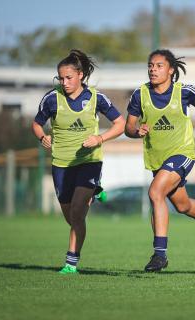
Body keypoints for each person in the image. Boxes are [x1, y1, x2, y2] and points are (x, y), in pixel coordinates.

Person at [125, 49, 195, 272]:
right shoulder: (140, 94)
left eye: (158, 66)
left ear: (171, 70)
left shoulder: (183, 91)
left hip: (182, 154)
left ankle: (160, 254)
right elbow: (128, 127)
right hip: (158, 160)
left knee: (155, 193)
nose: (153, 70)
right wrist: (136, 131)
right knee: (183, 205)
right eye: (150, 66)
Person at [32, 49, 126, 274]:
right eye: (61, 78)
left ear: (81, 75)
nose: (64, 82)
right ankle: (95, 191)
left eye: (69, 78)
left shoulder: (96, 98)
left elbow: (120, 124)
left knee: (77, 212)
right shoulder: (51, 98)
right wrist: (42, 136)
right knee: (71, 217)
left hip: (89, 161)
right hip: (61, 164)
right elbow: (36, 124)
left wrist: (99, 138)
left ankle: (71, 262)